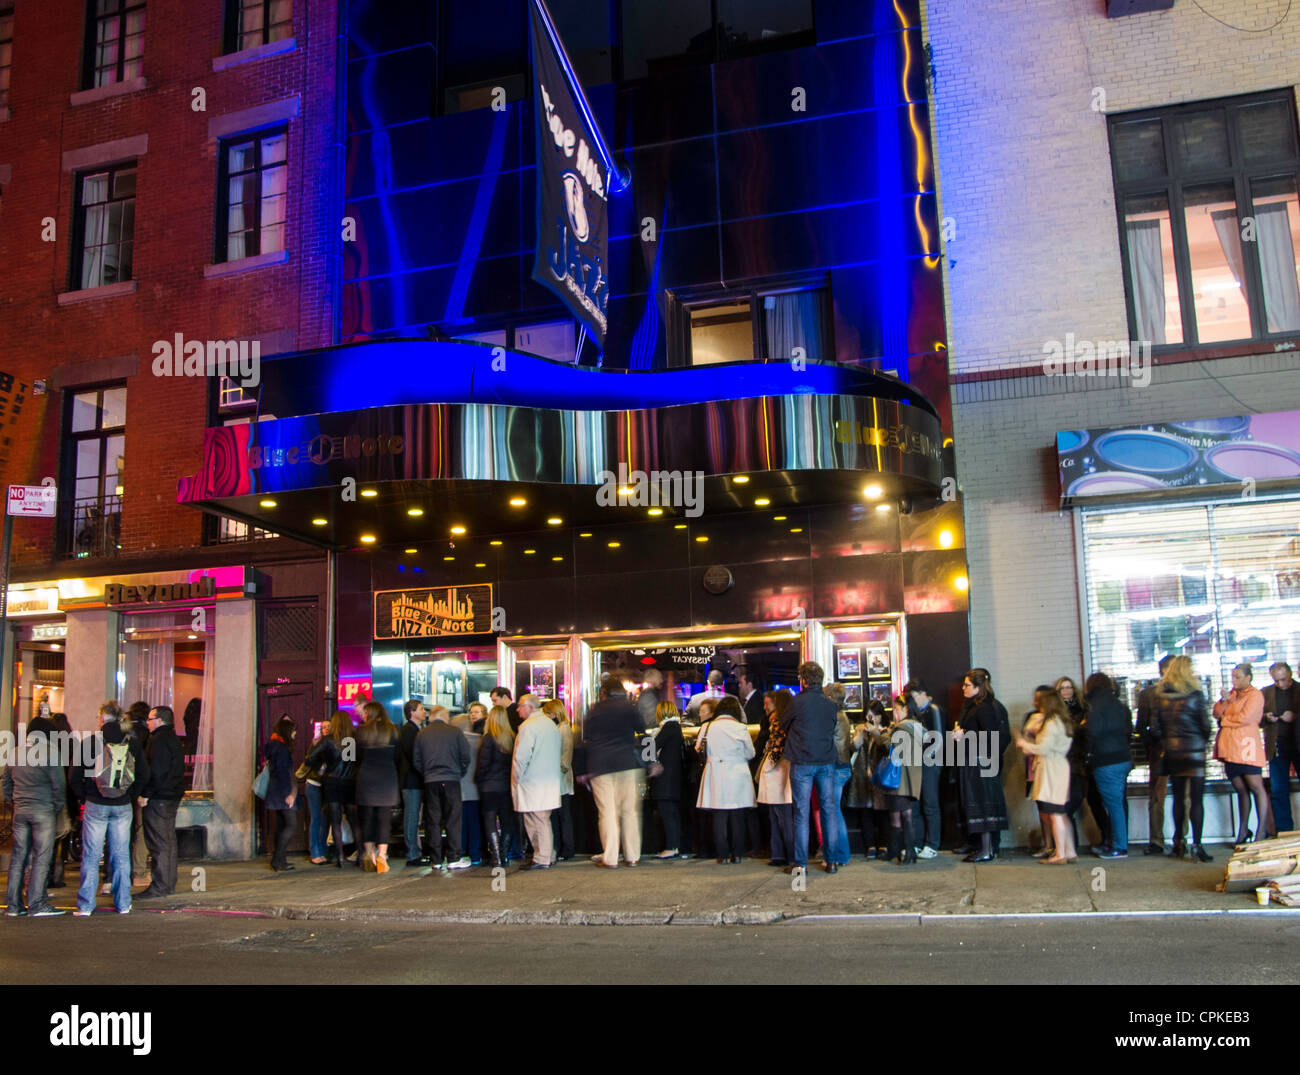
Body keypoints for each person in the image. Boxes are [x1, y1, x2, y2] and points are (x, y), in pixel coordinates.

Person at [72, 702, 149, 915]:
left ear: (102, 719)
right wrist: (130, 795)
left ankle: (86, 905)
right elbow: (144, 774)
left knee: (91, 855)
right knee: (121, 854)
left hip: (95, 804)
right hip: (123, 805)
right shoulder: (131, 743)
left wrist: (84, 796)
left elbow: (75, 777)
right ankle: (123, 903)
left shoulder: (90, 743)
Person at [783, 661, 845, 875]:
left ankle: (801, 864)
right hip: (826, 762)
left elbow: (783, 724)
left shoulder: (796, 703)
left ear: (803, 680)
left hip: (802, 762)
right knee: (829, 811)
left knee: (801, 812)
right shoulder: (830, 705)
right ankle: (832, 861)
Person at [1149, 655, 1213, 862]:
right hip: (1194, 752)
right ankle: (1197, 844)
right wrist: (1199, 741)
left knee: (1177, 799)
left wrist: (1169, 740)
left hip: (1173, 753)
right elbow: (1205, 726)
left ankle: (1178, 843)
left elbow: (1155, 729)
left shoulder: (1160, 696)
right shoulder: (1196, 695)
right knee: (1196, 800)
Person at [583, 673, 650, 868]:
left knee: (608, 812)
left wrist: (583, 769)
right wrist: (651, 760)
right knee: (630, 811)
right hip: (628, 764)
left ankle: (610, 858)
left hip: (600, 766)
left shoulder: (594, 710)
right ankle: (632, 856)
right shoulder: (630, 708)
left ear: (604, 692)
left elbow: (586, 740)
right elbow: (643, 733)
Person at [3, 715, 67, 916]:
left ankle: (13, 905)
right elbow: (59, 786)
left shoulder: (14, 753)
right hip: (43, 810)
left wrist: (16, 802)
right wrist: (55, 807)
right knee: (41, 857)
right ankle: (37, 903)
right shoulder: (51, 753)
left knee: (18, 857)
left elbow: (6, 784)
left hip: (20, 811)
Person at [1214, 663, 1273, 845]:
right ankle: (1243, 830)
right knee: (1240, 789)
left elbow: (1247, 718)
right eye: (1233, 677)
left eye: (1238, 677)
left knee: (1256, 786)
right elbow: (1216, 713)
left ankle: (1262, 830)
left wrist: (1226, 720)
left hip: (1247, 747)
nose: (1234, 680)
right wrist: (1224, 702)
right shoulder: (1231, 695)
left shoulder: (1255, 695)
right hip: (1230, 748)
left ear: (1248, 677)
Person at [1015, 690, 1077, 864]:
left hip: (1051, 769)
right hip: (1058, 767)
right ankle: (1069, 851)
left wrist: (1024, 743)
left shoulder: (1051, 723)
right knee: (1061, 813)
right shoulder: (1061, 721)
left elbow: (1043, 748)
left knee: (1054, 812)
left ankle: (1060, 854)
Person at [954, 669, 1008, 863]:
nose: (963, 688)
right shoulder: (975, 706)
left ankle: (987, 850)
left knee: (983, 805)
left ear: (978, 687)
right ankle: (984, 847)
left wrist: (964, 735)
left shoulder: (985, 707)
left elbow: (990, 736)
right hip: (976, 761)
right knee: (979, 805)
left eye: (967, 685)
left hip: (981, 762)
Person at [695, 696, 755, 863]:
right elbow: (751, 753)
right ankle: (737, 854)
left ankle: (722, 855)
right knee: (737, 815)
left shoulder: (708, 727)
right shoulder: (741, 728)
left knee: (719, 815)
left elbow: (698, 748)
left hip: (715, 772)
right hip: (738, 773)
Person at [412, 704, 471, 872]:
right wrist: (458, 772)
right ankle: (454, 857)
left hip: (430, 781)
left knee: (433, 820)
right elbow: (465, 756)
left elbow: (416, 760)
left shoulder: (422, 734)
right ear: (445, 717)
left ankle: (435, 859)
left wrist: (427, 774)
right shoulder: (455, 733)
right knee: (453, 818)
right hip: (451, 780)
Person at [1083, 673, 1133, 859]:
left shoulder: (1095, 706)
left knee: (1113, 805)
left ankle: (1119, 847)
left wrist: (1088, 755)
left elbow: (1093, 733)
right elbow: (1128, 731)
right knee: (1117, 803)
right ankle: (1115, 843)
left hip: (1106, 760)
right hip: (1123, 758)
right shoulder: (1119, 705)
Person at [137, 705, 184, 898]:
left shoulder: (158, 740)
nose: (147, 723)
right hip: (171, 795)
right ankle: (168, 883)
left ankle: (161, 885)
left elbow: (157, 770)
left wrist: (146, 794)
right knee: (168, 841)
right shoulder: (173, 739)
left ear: (159, 720)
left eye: (150, 719)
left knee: (159, 842)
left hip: (160, 798)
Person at [871, 695, 924, 865]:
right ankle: (909, 851)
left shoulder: (902, 728)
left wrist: (881, 735)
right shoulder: (917, 726)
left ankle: (898, 850)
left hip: (897, 777)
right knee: (907, 814)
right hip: (911, 777)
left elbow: (892, 749)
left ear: (906, 709)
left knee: (895, 815)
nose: (894, 712)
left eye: (897, 709)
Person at [512, 693, 562, 870]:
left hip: (532, 781)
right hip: (549, 779)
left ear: (530, 707)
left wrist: (516, 778)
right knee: (541, 819)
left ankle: (542, 857)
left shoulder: (528, 726)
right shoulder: (549, 724)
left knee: (537, 820)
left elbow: (522, 756)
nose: (517, 709)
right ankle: (548, 854)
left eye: (520, 706)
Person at [308, 710, 360, 868]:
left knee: (335, 822)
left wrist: (321, 768)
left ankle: (340, 857)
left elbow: (310, 758)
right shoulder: (350, 741)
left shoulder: (328, 740)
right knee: (353, 821)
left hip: (332, 783)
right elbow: (349, 762)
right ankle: (360, 853)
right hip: (348, 783)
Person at [1136, 655, 1177, 854]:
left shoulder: (1186, 693)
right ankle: (1160, 840)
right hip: (1162, 751)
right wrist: (1152, 746)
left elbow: (1141, 727)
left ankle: (1168, 840)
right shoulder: (1149, 694)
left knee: (1168, 796)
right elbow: (1141, 726)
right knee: (1159, 796)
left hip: (1167, 751)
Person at [355, 701, 400, 873]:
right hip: (388, 778)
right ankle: (382, 856)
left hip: (366, 778)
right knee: (384, 819)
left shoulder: (359, 731)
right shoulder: (394, 730)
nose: (363, 716)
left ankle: (368, 855)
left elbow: (349, 757)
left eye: (365, 713)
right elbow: (398, 756)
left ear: (370, 714)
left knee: (367, 819)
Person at [905, 679, 944, 858]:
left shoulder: (933, 710)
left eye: (914, 697)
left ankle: (932, 844)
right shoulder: (917, 712)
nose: (913, 701)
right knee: (916, 804)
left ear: (922, 693)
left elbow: (939, 738)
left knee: (930, 803)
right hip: (918, 762)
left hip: (930, 762)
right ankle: (917, 842)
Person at [757, 689, 795, 865]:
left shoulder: (778, 721)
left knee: (780, 816)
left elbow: (776, 749)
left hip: (777, 774)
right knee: (783, 816)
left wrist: (768, 767)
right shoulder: (791, 720)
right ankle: (785, 854)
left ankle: (783, 855)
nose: (766, 708)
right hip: (786, 771)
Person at [477, 706, 517, 868]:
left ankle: (496, 857)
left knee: (490, 820)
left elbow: (484, 764)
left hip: (489, 786)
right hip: (507, 786)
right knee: (507, 820)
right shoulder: (512, 737)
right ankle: (504, 854)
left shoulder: (488, 738)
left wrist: (479, 779)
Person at [845, 700, 885, 860]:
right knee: (865, 813)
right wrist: (860, 734)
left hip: (880, 775)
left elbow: (884, 745)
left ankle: (883, 844)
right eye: (869, 714)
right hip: (861, 776)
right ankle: (870, 846)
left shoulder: (885, 730)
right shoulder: (860, 729)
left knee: (882, 812)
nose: (871, 718)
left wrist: (876, 732)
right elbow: (853, 747)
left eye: (875, 714)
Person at [1263, 661, 1298, 832]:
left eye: (1283, 679)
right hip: (1277, 745)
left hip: (1297, 744)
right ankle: (1284, 831)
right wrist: (1266, 717)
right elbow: (1256, 718)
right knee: (1278, 790)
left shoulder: (1299, 690)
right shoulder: (1266, 692)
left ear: (1290, 675)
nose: (1280, 684)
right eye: (1276, 680)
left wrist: (1295, 717)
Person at [649, 700, 686, 858]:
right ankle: (674, 846)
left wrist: (650, 761)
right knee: (671, 812)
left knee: (667, 811)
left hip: (666, 779)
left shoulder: (669, 727)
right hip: (674, 777)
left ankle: (671, 847)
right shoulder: (676, 727)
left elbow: (652, 746)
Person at [1021, 686, 1056, 857]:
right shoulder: (1032, 717)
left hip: (1051, 769)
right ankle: (1047, 845)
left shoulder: (1055, 720)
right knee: (1042, 807)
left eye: (1040, 699)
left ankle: (1060, 846)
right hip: (1034, 767)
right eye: (1035, 698)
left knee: (1055, 810)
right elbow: (1026, 744)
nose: (1036, 702)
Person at [122, 700, 152, 889]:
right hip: (138, 789)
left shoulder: (123, 733)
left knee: (122, 831)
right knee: (141, 831)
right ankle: (139, 871)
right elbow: (147, 765)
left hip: (120, 788)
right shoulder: (147, 735)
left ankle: (116, 874)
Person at [824, 682, 853, 869]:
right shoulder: (842, 716)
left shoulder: (832, 716)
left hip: (835, 767)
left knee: (833, 813)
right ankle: (840, 853)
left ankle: (840, 854)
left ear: (830, 698)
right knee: (835, 811)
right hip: (843, 766)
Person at [47, 711, 77, 890]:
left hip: (50, 796)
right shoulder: (73, 744)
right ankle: (59, 874)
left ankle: (48, 875)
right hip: (68, 796)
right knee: (64, 837)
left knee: (48, 839)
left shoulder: (48, 746)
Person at [264, 717, 298, 873]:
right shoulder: (282, 749)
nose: (295, 734)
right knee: (291, 824)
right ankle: (277, 859)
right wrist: (289, 794)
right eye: (293, 731)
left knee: (281, 825)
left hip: (274, 791)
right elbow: (284, 773)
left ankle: (280, 860)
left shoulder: (273, 746)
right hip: (282, 792)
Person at [544, 699, 576, 860]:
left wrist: (561, 767)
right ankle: (561, 848)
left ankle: (566, 849)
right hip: (559, 776)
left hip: (560, 778)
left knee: (562, 815)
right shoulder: (560, 727)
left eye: (548, 713)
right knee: (559, 814)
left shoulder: (563, 727)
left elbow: (566, 750)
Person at [398, 699, 428, 866]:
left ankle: (415, 851)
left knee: (414, 817)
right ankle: (412, 854)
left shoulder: (415, 729)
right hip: (411, 780)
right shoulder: (409, 730)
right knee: (412, 817)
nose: (424, 712)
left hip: (413, 780)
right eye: (421, 709)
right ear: (412, 712)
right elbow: (413, 755)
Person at [451, 714, 483, 864]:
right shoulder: (479, 739)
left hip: (460, 788)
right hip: (476, 787)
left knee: (460, 824)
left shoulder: (455, 741)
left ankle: (461, 852)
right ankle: (476, 855)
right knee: (475, 823)